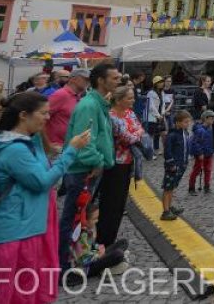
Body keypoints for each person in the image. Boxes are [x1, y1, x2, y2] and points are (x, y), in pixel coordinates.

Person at [0, 92, 91, 303]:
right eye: (43, 113)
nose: (48, 117)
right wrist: (71, 151)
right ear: (23, 115)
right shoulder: (16, 150)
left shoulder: (15, 140)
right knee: (14, 294)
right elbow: (42, 181)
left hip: (20, 228)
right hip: (15, 233)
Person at [59, 63, 119, 272]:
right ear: (101, 81)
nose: (118, 81)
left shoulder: (99, 103)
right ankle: (64, 265)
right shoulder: (89, 106)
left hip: (88, 169)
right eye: (114, 78)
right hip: (82, 170)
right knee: (73, 217)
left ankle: (79, 256)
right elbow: (84, 141)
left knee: (81, 216)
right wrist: (97, 161)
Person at [97, 86, 144, 249]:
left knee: (120, 203)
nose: (133, 100)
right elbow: (129, 137)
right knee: (110, 203)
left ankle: (111, 238)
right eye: (129, 98)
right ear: (118, 100)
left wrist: (135, 134)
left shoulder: (129, 113)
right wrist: (135, 135)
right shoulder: (111, 117)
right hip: (114, 163)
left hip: (128, 161)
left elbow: (140, 130)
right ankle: (103, 240)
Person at [70, 203, 130, 277]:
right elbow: (82, 260)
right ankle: (106, 269)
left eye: (97, 218)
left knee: (124, 242)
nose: (97, 220)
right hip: (87, 268)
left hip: (94, 256)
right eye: (94, 219)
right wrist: (98, 254)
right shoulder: (81, 235)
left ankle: (114, 262)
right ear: (86, 220)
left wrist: (98, 249)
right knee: (118, 254)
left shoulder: (90, 229)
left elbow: (91, 247)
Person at [161, 110, 191, 221]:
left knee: (172, 187)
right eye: (185, 122)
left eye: (188, 122)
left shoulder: (185, 133)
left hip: (181, 165)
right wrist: (171, 163)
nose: (187, 124)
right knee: (168, 188)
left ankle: (170, 206)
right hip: (173, 166)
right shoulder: (172, 135)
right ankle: (165, 211)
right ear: (177, 122)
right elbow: (167, 151)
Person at [188, 110, 214, 195]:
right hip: (201, 155)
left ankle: (207, 186)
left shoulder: (210, 128)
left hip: (208, 153)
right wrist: (200, 153)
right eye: (212, 118)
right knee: (196, 170)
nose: (213, 120)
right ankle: (191, 187)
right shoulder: (200, 130)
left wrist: (211, 151)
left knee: (208, 170)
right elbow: (195, 143)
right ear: (206, 119)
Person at [145, 76, 167, 155]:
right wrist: (158, 115)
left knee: (163, 133)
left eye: (162, 82)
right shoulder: (150, 93)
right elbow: (151, 106)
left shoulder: (162, 92)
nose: (162, 83)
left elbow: (163, 103)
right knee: (151, 135)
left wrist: (163, 113)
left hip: (161, 116)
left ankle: (165, 149)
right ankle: (150, 152)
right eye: (159, 82)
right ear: (155, 84)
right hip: (153, 117)